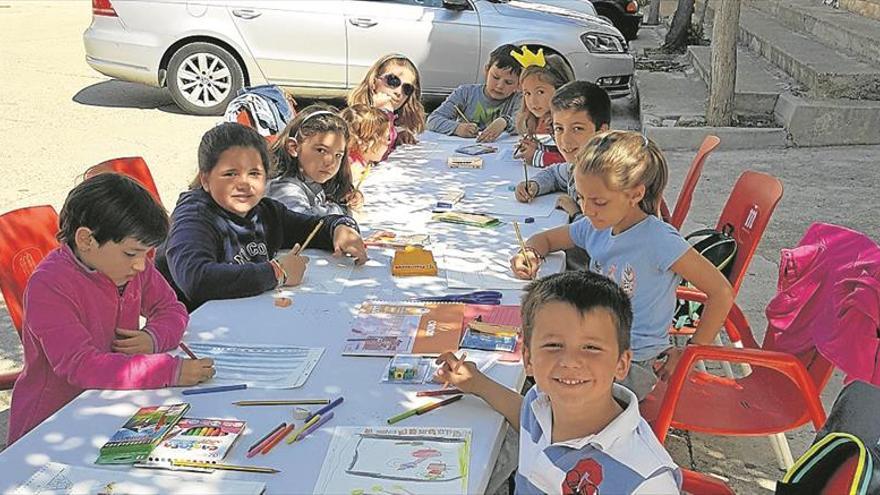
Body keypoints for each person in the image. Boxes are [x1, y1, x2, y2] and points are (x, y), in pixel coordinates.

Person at [510, 130, 734, 400]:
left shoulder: (659, 239)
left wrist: (691, 351)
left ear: (635, 194)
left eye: (599, 201)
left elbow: (721, 291)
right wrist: (531, 252)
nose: (588, 209)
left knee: (538, 396)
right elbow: (545, 239)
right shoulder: (597, 225)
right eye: (581, 198)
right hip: (592, 348)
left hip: (633, 364)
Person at [7, 174, 214, 445]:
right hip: (51, 426)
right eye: (132, 254)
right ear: (86, 240)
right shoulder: (49, 285)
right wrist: (168, 371)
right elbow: (80, 365)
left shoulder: (132, 266)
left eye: (146, 254)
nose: (141, 265)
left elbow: (172, 309)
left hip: (112, 407)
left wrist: (153, 338)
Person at [436, 271, 682, 494]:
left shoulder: (647, 481)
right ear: (528, 359)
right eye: (554, 345)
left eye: (591, 347)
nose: (570, 361)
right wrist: (476, 383)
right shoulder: (540, 402)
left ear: (621, 364)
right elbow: (525, 415)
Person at [156, 122, 367, 312]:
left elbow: (314, 227)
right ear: (205, 179)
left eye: (254, 174)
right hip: (197, 334)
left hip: (253, 314)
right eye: (230, 174)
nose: (244, 183)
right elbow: (196, 279)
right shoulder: (194, 218)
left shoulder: (266, 212)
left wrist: (340, 227)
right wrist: (277, 272)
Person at [514, 81, 610, 224]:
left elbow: (599, 236)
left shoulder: (607, 177)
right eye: (559, 129)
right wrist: (534, 185)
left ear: (601, 132)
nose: (565, 140)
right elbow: (555, 174)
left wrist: (574, 212)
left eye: (577, 129)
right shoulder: (578, 164)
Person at [267, 105, 358, 216]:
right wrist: (341, 210)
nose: (331, 162)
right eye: (321, 150)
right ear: (294, 147)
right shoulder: (283, 188)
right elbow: (304, 222)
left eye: (338, 155)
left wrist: (346, 199)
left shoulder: (311, 180)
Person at [426, 44, 523, 142]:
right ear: (486, 70)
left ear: (519, 83)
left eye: (508, 82)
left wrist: (504, 122)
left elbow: (525, 124)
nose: (500, 86)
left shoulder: (518, 99)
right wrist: (457, 128)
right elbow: (433, 120)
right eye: (495, 77)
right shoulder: (465, 93)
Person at [347, 53, 426, 156]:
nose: (398, 92)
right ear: (374, 82)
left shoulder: (395, 119)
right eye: (393, 81)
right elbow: (371, 150)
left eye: (407, 88)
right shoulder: (355, 116)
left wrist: (397, 134)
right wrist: (383, 113)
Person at [512, 49, 573, 169]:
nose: (533, 101)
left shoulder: (569, 123)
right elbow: (555, 150)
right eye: (527, 93)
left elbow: (573, 160)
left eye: (540, 92)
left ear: (560, 89)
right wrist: (536, 147)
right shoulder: (538, 119)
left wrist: (537, 157)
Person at [338, 104, 391, 189]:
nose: (389, 143)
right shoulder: (353, 171)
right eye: (387, 138)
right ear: (365, 143)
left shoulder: (349, 162)